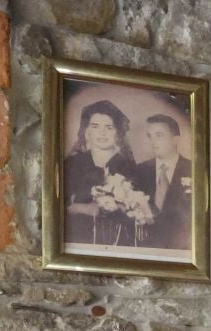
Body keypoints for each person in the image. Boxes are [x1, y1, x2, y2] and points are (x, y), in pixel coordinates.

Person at [62, 100, 142, 248]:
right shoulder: (72, 164)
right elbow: (57, 207)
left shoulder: (129, 168)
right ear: (87, 132)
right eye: (95, 126)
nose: (102, 133)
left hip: (120, 241)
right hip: (79, 239)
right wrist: (83, 208)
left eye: (109, 127)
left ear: (117, 133)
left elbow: (140, 210)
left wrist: (119, 206)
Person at [133, 113, 193, 251]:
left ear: (175, 139)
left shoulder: (193, 169)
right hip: (145, 247)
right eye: (150, 136)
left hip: (181, 249)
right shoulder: (139, 170)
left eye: (159, 135)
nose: (152, 141)